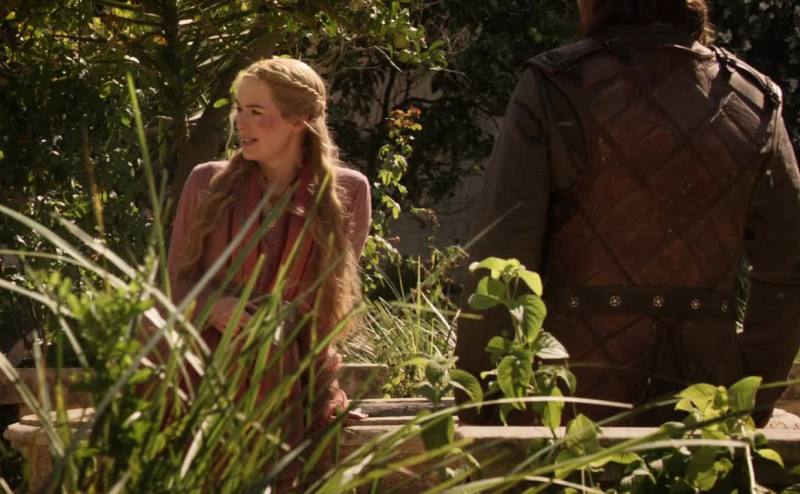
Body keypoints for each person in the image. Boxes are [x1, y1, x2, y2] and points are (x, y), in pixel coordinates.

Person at [456, 0, 800, 427]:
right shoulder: (755, 101)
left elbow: (502, 255)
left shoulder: (557, 86)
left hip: (567, 404)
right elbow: (790, 267)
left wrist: (484, 405)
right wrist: (747, 398)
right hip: (704, 410)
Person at [167, 57, 371, 437]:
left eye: (256, 111)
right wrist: (213, 305)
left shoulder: (348, 191)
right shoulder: (206, 182)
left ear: (299, 120)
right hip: (203, 368)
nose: (240, 122)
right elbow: (174, 286)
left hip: (295, 375)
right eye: (239, 109)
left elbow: (328, 306)